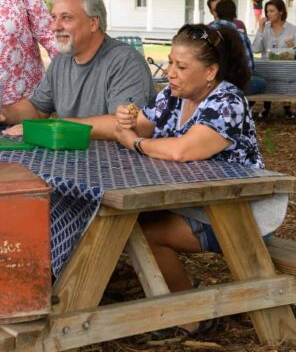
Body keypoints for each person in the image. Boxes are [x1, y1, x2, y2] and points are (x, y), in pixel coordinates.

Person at [114, 23, 288, 337]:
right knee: (130, 222)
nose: (170, 72)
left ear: (210, 72)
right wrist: (128, 121)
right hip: (196, 201)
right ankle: (181, 300)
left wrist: (135, 142)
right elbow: (140, 126)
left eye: (181, 66)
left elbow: (181, 151)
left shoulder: (227, 102)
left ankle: (191, 315)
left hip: (240, 212)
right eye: (169, 62)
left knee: (145, 231)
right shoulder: (173, 95)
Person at [0, 0, 156, 139]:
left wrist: (54, 126)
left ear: (93, 23)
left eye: (66, 18)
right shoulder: (62, 60)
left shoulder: (125, 61)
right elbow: (38, 109)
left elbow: (123, 124)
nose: (55, 27)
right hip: (69, 159)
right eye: (53, 18)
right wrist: (3, 114)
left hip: (120, 168)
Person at [252, 0, 296, 120]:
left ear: (281, 11)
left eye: (272, 11)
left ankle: (287, 107)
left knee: (289, 75)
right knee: (264, 73)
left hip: (286, 67)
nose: (268, 14)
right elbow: (255, 49)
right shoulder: (264, 28)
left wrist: (293, 45)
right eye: (267, 11)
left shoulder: (292, 29)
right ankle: (266, 106)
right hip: (268, 66)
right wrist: (260, 29)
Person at [212, 0, 266, 95]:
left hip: (208, 82)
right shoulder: (240, 35)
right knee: (261, 82)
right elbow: (249, 67)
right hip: (233, 83)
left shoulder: (205, 33)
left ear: (216, 13)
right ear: (234, 15)